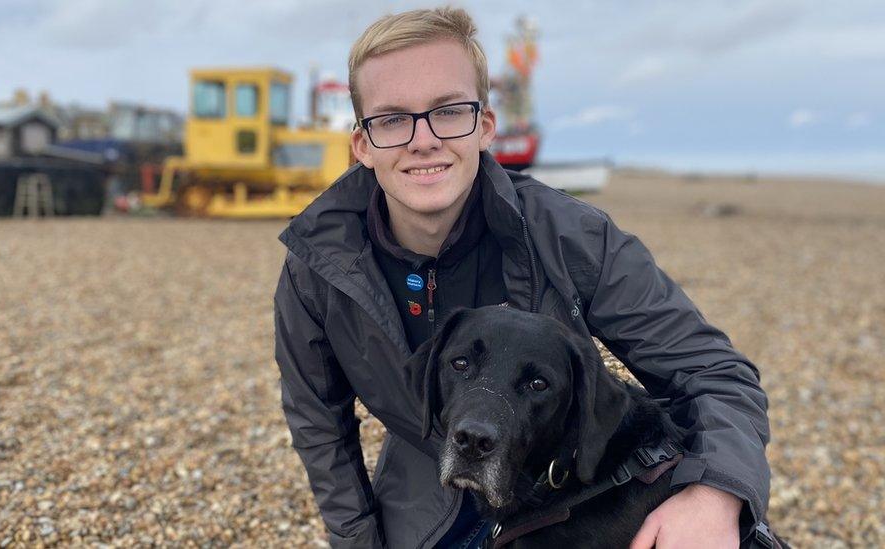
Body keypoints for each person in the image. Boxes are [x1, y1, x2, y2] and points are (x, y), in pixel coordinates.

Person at [274, 7, 770, 548]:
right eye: (392, 119)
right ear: (362, 144)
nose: (423, 140)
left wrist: (716, 494)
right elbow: (320, 427)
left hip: (565, 492)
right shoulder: (316, 269)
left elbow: (713, 371)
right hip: (425, 490)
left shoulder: (571, 234)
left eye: (448, 111)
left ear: (485, 126)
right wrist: (357, 542)